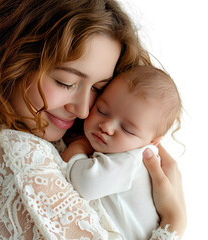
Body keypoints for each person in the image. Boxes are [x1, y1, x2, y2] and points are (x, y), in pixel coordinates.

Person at [0, 0, 186, 239]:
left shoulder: (38, 145)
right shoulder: (15, 154)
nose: (82, 110)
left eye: (98, 89)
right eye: (65, 82)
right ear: (11, 61)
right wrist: (174, 223)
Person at [61, 65, 182, 240]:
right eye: (101, 110)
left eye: (127, 129)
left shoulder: (133, 159)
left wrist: (78, 147)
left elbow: (85, 183)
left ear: (152, 142)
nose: (107, 127)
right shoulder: (122, 149)